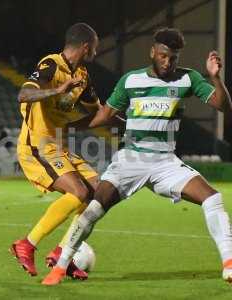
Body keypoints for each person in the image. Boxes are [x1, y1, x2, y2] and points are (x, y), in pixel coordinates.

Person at [42, 27, 232, 285]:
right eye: (164, 56)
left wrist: (215, 78)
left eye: (173, 57)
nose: (168, 62)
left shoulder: (187, 79)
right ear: (153, 52)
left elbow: (223, 106)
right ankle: (59, 268)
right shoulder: (131, 81)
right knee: (93, 210)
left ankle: (229, 263)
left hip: (166, 163)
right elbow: (105, 115)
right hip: (131, 160)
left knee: (213, 198)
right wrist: (68, 124)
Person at [10, 23, 103, 279]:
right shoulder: (50, 65)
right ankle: (26, 244)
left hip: (58, 146)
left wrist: (127, 121)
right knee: (78, 191)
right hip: (36, 145)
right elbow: (24, 94)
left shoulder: (82, 75)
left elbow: (97, 112)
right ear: (86, 46)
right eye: (95, 46)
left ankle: (63, 253)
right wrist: (57, 90)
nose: (97, 51)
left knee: (99, 191)